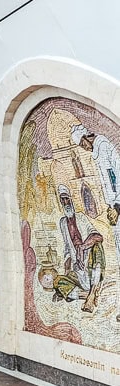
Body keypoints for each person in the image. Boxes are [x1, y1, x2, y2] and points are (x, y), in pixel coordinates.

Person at [72, 123, 120, 321]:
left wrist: (117, 205)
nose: (84, 148)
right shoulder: (97, 153)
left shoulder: (105, 147)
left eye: (82, 144)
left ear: (86, 138)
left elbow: (116, 177)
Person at [55, 184, 105, 313]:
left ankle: (92, 293)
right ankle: (88, 295)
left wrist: (82, 248)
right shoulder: (62, 223)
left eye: (67, 199)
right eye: (62, 200)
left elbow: (98, 236)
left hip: (91, 265)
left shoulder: (82, 218)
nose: (65, 202)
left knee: (97, 247)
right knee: (58, 282)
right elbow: (67, 248)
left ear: (71, 200)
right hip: (78, 269)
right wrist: (66, 272)